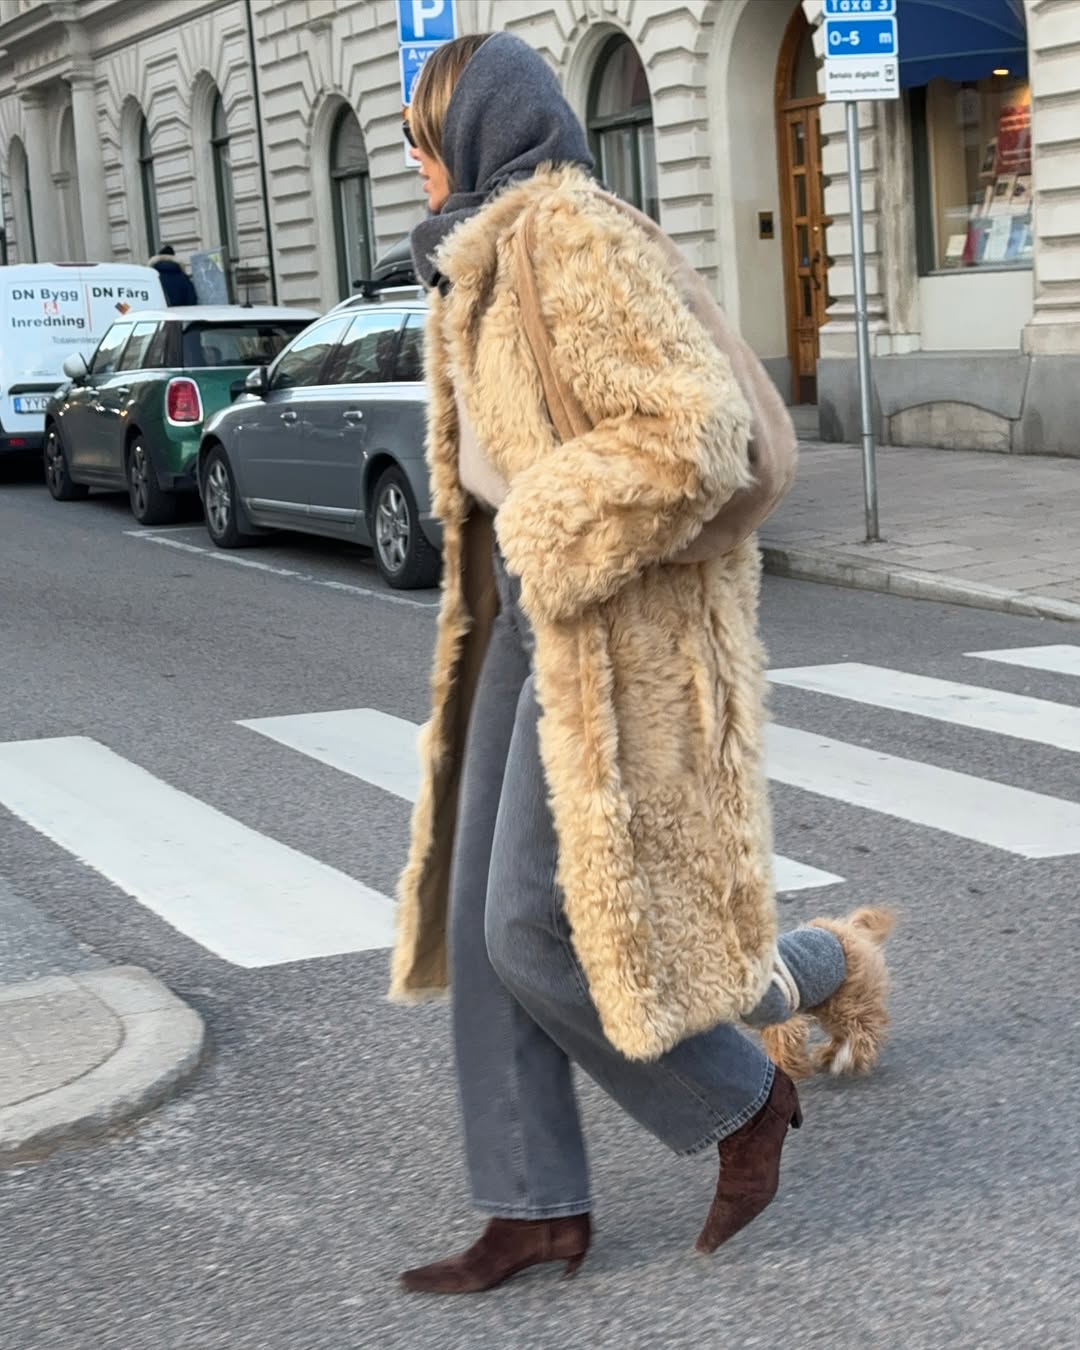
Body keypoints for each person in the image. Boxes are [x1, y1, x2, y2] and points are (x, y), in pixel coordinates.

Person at [391, 32, 892, 1296]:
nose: (410, 169)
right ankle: (532, 1208)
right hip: (531, 616)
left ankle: (742, 1103)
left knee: (530, 923)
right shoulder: (484, 255)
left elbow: (697, 437)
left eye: (417, 142)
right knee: (479, 917)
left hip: (609, 624)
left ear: (468, 132)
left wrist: (549, 532)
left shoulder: (567, 233)